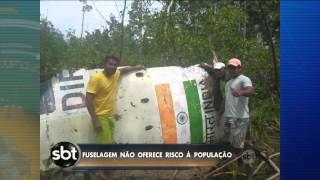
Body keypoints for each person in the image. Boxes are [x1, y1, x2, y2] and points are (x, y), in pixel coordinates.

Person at [86, 55, 144, 179]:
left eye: (114, 65)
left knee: (108, 144)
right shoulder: (96, 78)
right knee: (104, 146)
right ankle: (99, 172)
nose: (112, 67)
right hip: (101, 117)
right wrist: (95, 120)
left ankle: (105, 168)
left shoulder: (115, 74)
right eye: (110, 64)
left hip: (110, 116)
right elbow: (88, 100)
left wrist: (137, 67)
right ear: (104, 64)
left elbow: (124, 70)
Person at [223, 58, 254, 150]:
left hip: (240, 118)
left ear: (240, 68)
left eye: (234, 67)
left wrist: (240, 93)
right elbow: (226, 99)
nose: (232, 70)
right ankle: (232, 161)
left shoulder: (244, 79)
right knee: (227, 143)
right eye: (230, 68)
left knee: (238, 146)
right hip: (229, 117)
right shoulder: (228, 83)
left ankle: (242, 162)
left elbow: (251, 90)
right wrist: (221, 113)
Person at [199, 62, 226, 126]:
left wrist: (219, 116)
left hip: (225, 110)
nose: (218, 72)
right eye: (216, 70)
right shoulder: (218, 76)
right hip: (218, 106)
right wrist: (203, 66)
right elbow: (211, 70)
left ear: (223, 69)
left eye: (219, 70)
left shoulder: (228, 80)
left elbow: (226, 100)